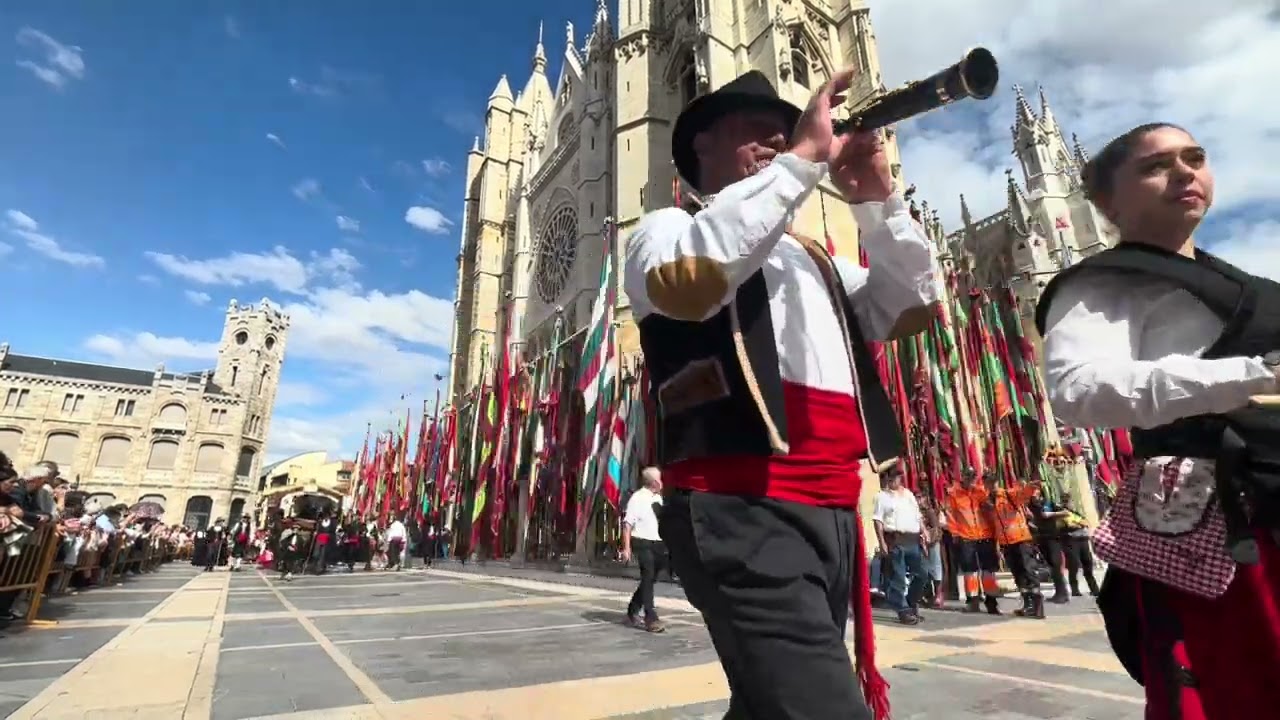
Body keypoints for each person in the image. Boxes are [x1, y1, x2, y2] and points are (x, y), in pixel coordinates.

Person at [625, 67, 939, 720]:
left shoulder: (816, 260)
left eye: (783, 127)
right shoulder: (662, 232)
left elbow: (912, 307)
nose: (775, 136)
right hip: (738, 505)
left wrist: (877, 199)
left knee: (770, 702)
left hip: (833, 509)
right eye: (752, 127)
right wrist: (799, 162)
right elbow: (696, 278)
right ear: (699, 148)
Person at [1036, 122, 1280, 719]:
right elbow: (1078, 390)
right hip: (1225, 518)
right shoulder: (1102, 283)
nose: (1184, 172)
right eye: (1156, 165)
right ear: (1104, 200)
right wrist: (1254, 376)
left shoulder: (1243, 281)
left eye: (1195, 157)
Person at [872, 464, 927, 625]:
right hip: (895, 540)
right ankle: (903, 610)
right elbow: (878, 520)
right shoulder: (881, 497)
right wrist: (881, 542)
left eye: (897, 477)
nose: (895, 480)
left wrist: (924, 532)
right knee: (898, 577)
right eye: (891, 477)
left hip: (912, 539)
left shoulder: (908, 494)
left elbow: (917, 515)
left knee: (922, 574)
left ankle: (910, 603)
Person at [943, 468, 1001, 614]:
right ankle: (973, 601)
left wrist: (995, 533)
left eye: (973, 478)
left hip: (985, 535)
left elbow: (990, 511)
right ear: (962, 477)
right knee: (970, 571)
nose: (971, 481)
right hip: (966, 537)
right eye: (968, 477)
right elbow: (951, 516)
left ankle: (991, 601)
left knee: (988, 571)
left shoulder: (980, 492)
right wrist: (956, 535)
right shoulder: (953, 494)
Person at [621, 467, 666, 633]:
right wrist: (626, 548)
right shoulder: (637, 498)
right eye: (660, 479)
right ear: (654, 482)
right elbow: (627, 525)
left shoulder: (659, 499)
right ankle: (651, 618)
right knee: (647, 577)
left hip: (659, 543)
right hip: (642, 542)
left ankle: (632, 609)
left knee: (650, 579)